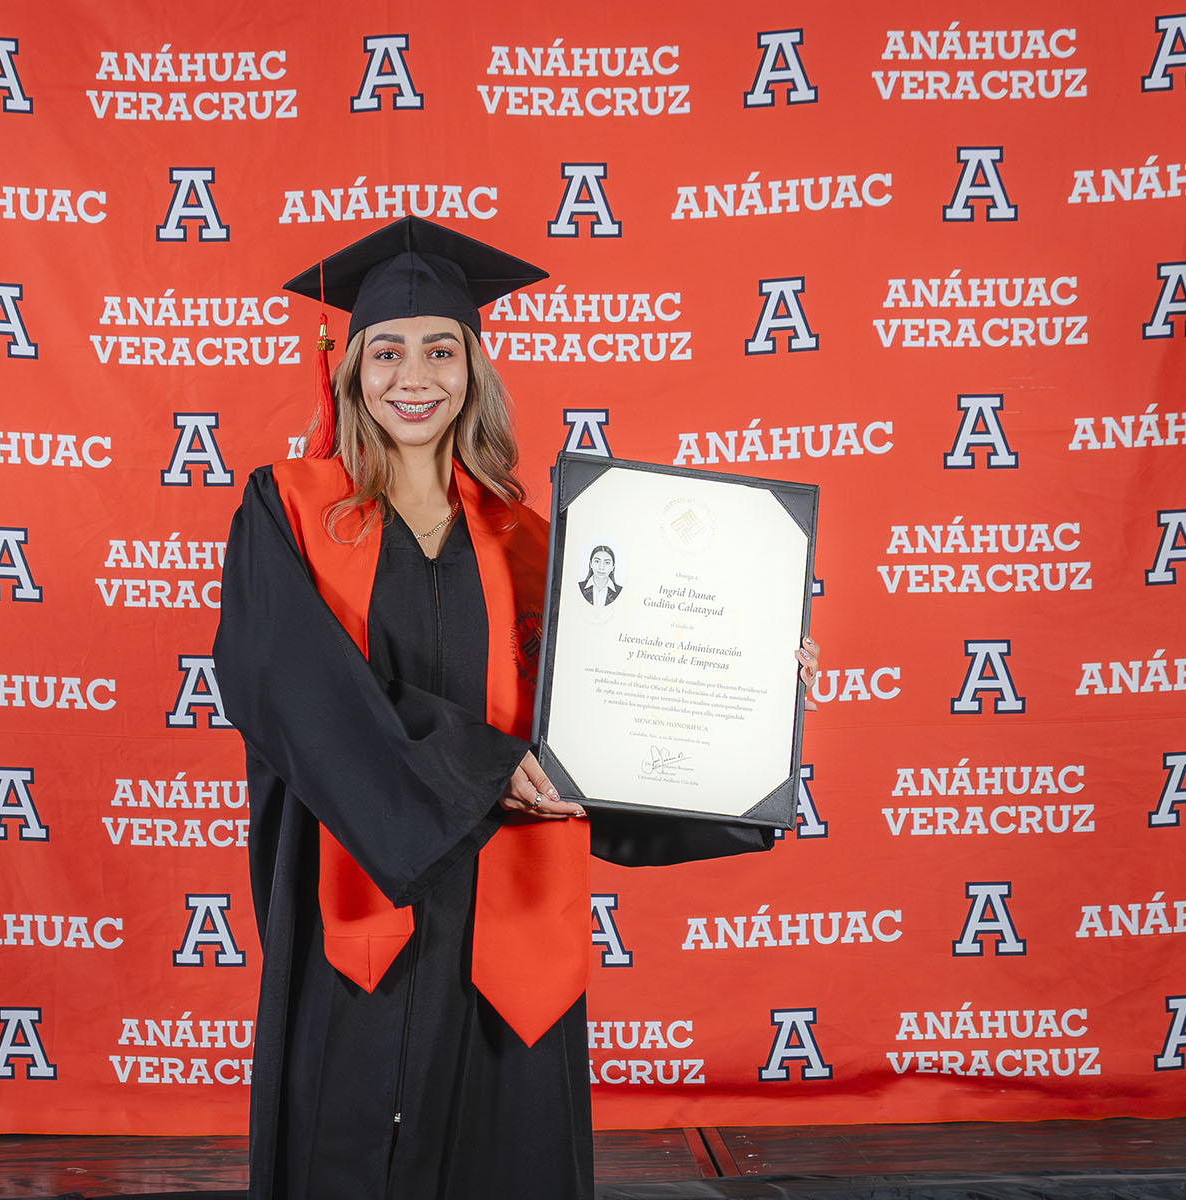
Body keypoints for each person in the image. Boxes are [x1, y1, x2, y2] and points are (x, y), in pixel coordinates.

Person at [212, 216, 822, 1200]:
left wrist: (747, 701)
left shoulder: (533, 541)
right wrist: (486, 768)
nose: (415, 376)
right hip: (358, 899)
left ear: (475, 368)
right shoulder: (287, 508)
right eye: (388, 351)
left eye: (441, 350)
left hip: (508, 924)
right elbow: (285, 681)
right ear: (352, 369)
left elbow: (596, 724)